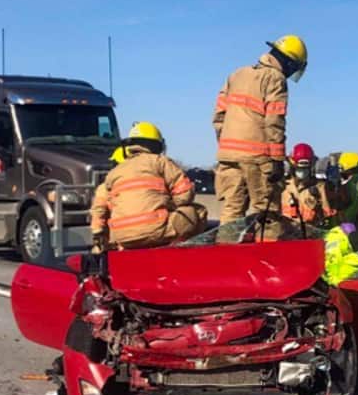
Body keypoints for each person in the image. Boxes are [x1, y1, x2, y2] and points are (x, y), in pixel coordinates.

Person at [212, 35, 308, 223]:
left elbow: (219, 116)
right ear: (289, 62)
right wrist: (277, 160)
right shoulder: (275, 78)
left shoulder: (237, 74)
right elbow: (274, 121)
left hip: (228, 157)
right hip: (258, 158)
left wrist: (228, 147)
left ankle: (227, 251)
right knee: (267, 214)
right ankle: (267, 253)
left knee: (231, 211)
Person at [89, 122, 207, 252]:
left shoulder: (114, 173)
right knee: (198, 211)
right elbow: (185, 194)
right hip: (156, 230)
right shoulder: (160, 162)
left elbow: (99, 210)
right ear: (157, 145)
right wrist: (169, 206)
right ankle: (188, 255)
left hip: (121, 237)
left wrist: (99, 234)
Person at [281, 143, 334, 227]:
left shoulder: (318, 187)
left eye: (305, 169)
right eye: (298, 168)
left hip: (310, 235)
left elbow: (328, 214)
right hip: (286, 235)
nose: (302, 172)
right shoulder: (282, 186)